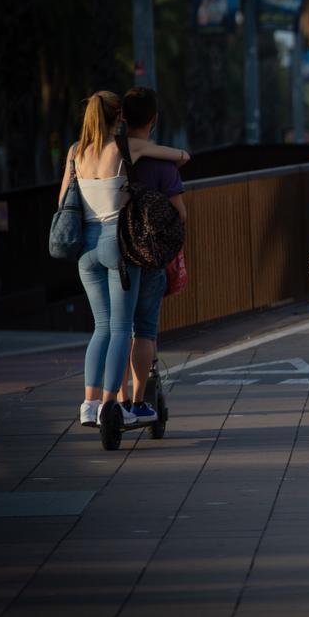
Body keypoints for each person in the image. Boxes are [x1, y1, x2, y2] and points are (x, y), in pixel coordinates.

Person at [58, 91, 189, 429]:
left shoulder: (75, 152)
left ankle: (87, 403)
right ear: (119, 118)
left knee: (100, 328)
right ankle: (111, 406)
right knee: (120, 328)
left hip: (84, 248)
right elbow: (180, 156)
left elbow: (63, 200)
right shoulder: (124, 149)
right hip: (116, 245)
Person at [121, 87, 188, 423]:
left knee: (117, 329)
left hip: (115, 255)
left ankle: (114, 401)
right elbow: (180, 214)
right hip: (149, 257)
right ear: (154, 120)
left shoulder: (110, 156)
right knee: (144, 329)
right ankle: (138, 401)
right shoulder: (163, 166)